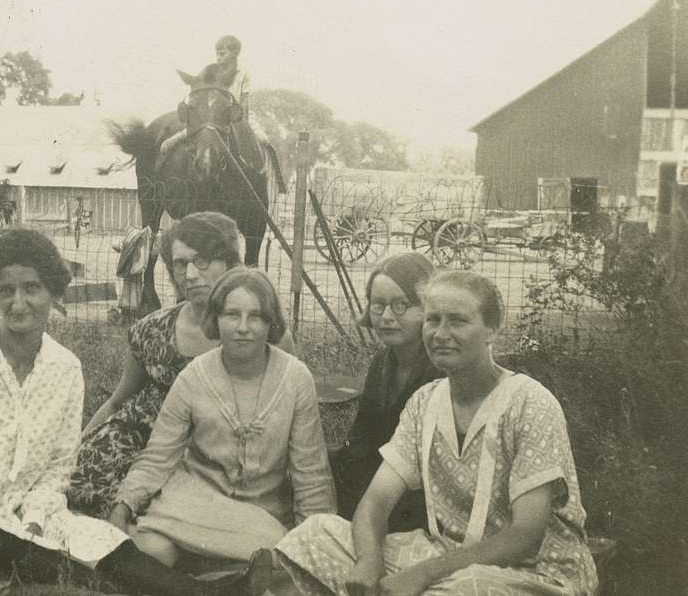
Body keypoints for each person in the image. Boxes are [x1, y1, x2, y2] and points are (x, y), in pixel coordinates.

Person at [0, 228, 255, 596]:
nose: (18, 303)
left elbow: (57, 472)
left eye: (32, 289)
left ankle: (210, 593)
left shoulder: (65, 368)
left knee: (98, 536)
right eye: (6, 291)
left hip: (30, 517)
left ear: (53, 292)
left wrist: (34, 517)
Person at [260, 271, 599, 596]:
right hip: (444, 555)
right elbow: (376, 502)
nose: (440, 333)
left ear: (492, 329)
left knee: (465, 590)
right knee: (315, 534)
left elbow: (526, 535)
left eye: (458, 321)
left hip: (533, 571)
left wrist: (422, 575)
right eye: (433, 320)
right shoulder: (425, 401)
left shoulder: (530, 402)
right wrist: (370, 560)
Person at [67, 212, 294, 518]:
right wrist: (74, 450)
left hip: (209, 453)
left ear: (230, 263)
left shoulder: (259, 333)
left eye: (202, 260)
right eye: (179, 263)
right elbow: (118, 400)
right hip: (137, 442)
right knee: (85, 495)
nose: (189, 274)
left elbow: (284, 415)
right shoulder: (153, 329)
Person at [108, 267, 336, 568]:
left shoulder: (296, 378)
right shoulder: (194, 376)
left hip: (261, 511)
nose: (243, 327)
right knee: (155, 551)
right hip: (193, 502)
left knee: (277, 554)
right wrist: (121, 508)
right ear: (215, 319)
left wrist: (315, 538)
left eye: (255, 316)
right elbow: (158, 456)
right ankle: (217, 572)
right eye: (232, 315)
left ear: (271, 323)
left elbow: (311, 471)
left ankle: (214, 570)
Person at [332, 252, 442, 532]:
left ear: (427, 308)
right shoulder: (383, 362)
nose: (387, 317)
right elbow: (362, 436)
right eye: (378, 305)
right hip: (378, 480)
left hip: (418, 497)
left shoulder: (441, 370)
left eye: (401, 305)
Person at [162, 36, 263, 171]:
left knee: (262, 140)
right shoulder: (211, 71)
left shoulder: (243, 73)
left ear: (234, 54)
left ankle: (256, 170)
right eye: (217, 54)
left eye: (222, 54)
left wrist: (241, 121)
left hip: (235, 113)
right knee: (201, 127)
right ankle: (177, 140)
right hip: (215, 113)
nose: (218, 58)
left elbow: (244, 102)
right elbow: (199, 93)